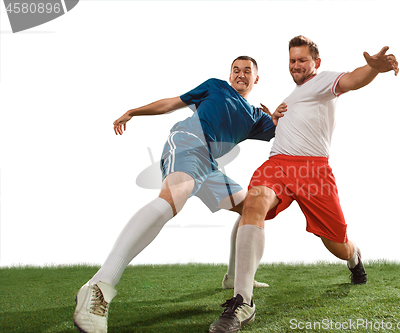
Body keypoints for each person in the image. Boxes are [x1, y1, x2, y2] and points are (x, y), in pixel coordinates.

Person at [209, 36, 399, 333]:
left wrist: (373, 69)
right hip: (278, 166)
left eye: (301, 60)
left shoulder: (323, 81)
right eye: (292, 60)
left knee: (337, 244)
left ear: (316, 63)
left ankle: (355, 256)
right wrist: (273, 117)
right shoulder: (291, 98)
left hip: (314, 173)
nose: (296, 65)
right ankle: (242, 301)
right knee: (254, 202)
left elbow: (351, 80)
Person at [73, 56, 276, 333]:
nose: (241, 74)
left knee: (253, 207)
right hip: (188, 143)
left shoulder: (256, 118)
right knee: (173, 199)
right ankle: (99, 285)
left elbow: (284, 130)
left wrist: (277, 116)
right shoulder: (216, 87)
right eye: (236, 70)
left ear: (256, 78)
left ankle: (234, 277)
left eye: (247, 71)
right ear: (230, 76)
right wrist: (134, 111)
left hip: (211, 168)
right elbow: (171, 103)